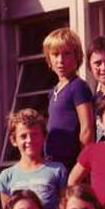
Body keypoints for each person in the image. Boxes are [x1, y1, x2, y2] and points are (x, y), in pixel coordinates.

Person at [0, 109, 67, 209]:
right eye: (23, 136)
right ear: (13, 140)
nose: (29, 140)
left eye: (34, 134)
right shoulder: (6, 177)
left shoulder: (57, 170)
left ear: (44, 137)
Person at [42, 27, 95, 170]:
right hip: (53, 161)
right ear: (49, 58)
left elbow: (87, 128)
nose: (60, 60)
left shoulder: (78, 86)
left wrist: (83, 165)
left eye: (66, 54)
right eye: (55, 54)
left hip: (72, 162)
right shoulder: (53, 92)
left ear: (77, 56)